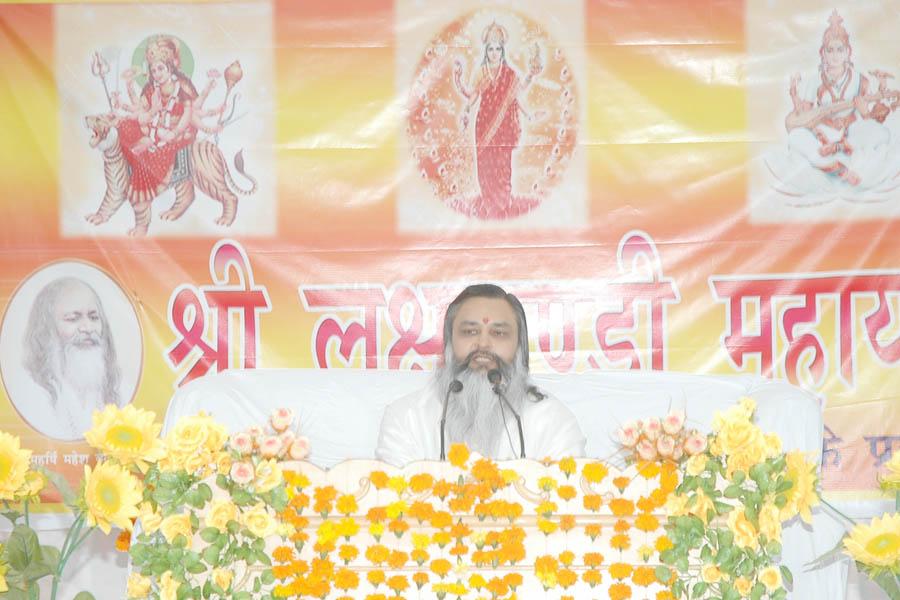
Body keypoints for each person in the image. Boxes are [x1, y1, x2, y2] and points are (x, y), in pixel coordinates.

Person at [376, 283, 586, 466]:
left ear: (519, 348)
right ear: (449, 344)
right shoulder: (407, 417)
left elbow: (566, 502)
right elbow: (395, 503)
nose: (483, 344)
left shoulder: (553, 421)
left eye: (499, 333)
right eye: (470, 332)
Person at [770, 10, 900, 196]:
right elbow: (803, 116)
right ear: (822, 54)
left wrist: (864, 111)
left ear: (848, 53)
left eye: (840, 49)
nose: (835, 55)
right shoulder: (814, 80)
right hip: (822, 134)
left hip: (851, 133)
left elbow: (870, 119)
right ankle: (838, 167)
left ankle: (840, 149)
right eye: (830, 50)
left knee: (882, 133)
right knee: (795, 137)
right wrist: (795, 96)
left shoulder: (860, 80)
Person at [452, 22, 542, 218]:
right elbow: (472, 96)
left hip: (504, 128)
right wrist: (458, 82)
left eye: (497, 49)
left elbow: (517, 95)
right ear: (486, 51)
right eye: (491, 49)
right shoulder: (481, 72)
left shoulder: (510, 74)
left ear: (502, 51)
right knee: (485, 163)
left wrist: (531, 75)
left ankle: (503, 204)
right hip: (484, 125)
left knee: (502, 164)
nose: (494, 53)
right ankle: (489, 203)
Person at [18, 277, 123, 440]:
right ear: (46, 329)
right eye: (73, 319)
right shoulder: (31, 391)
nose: (87, 328)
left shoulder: (117, 388)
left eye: (94, 317)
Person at [116, 35, 201, 207]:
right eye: (153, 71)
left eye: (161, 69)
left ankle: (146, 186)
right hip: (153, 127)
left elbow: (188, 114)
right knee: (124, 126)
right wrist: (128, 92)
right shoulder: (150, 88)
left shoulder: (182, 86)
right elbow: (140, 108)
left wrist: (173, 132)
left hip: (178, 131)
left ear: (170, 68)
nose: (157, 74)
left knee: (152, 148)